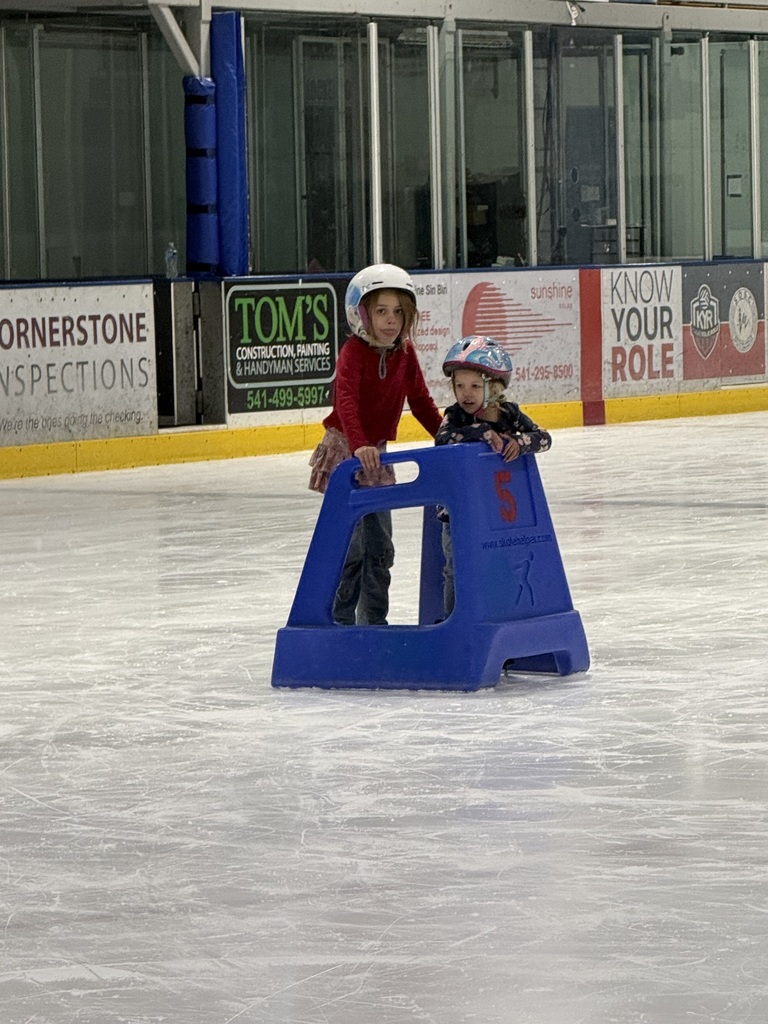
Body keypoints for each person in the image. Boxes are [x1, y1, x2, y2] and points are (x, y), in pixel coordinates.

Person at [309, 263, 442, 625]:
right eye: (381, 311)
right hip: (347, 454)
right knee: (351, 549)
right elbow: (346, 403)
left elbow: (422, 402)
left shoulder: (406, 353)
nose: (390, 320)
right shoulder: (352, 352)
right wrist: (359, 445)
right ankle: (339, 621)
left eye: (398, 312)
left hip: (376, 456)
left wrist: (448, 437)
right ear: (361, 313)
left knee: (380, 547)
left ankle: (374, 621)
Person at [434, 335, 552, 616]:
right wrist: (480, 433)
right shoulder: (456, 416)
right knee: (457, 567)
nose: (466, 394)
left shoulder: (509, 415)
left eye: (475, 386)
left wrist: (520, 443)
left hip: (499, 515)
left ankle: (498, 618)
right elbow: (442, 439)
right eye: (460, 386)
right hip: (457, 514)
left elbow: (544, 439)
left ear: (495, 387)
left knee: (499, 566)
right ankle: (454, 622)